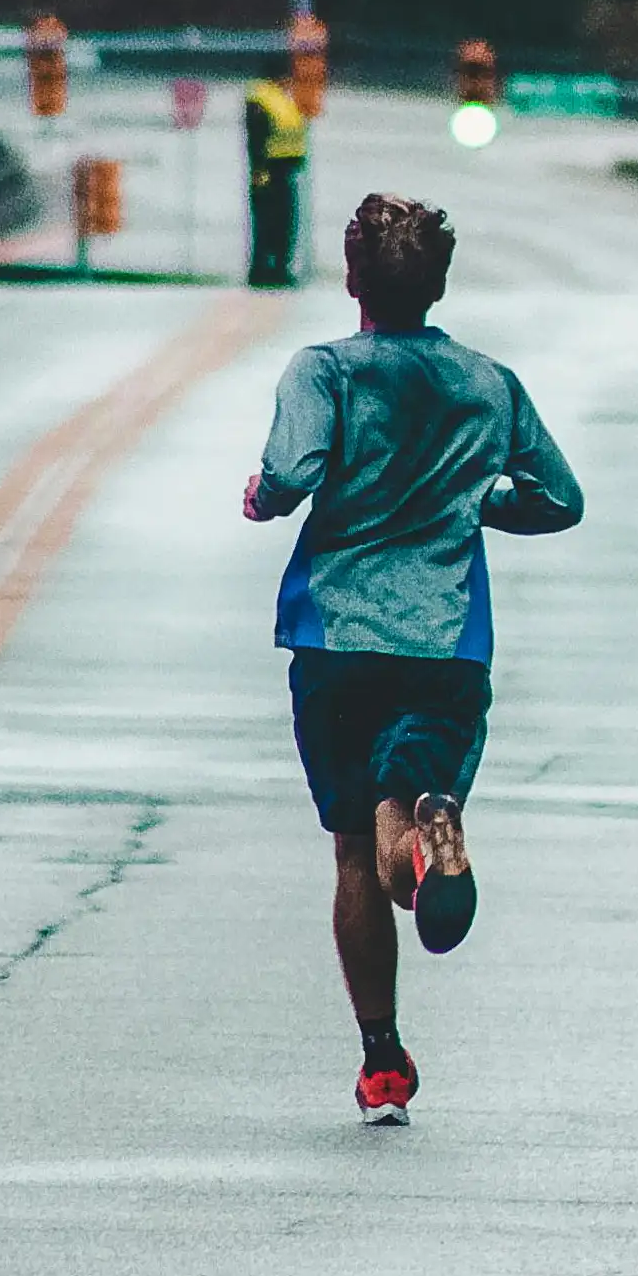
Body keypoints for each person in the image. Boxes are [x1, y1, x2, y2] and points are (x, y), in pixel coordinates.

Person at [242, 193, 583, 1126]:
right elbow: (560, 498)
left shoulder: (324, 371)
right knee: (407, 806)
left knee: (355, 849)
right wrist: (477, 503)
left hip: (335, 638)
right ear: (437, 282)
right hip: (445, 646)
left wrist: (265, 497)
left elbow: (295, 469)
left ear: (353, 279)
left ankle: (382, 1058)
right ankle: (434, 829)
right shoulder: (489, 382)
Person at [244, 66, 310, 288]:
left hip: (284, 170)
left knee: (284, 223)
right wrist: (259, 170)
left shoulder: (279, 98)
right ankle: (264, 270)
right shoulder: (263, 99)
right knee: (268, 223)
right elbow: (257, 137)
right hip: (269, 171)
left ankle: (275, 269)